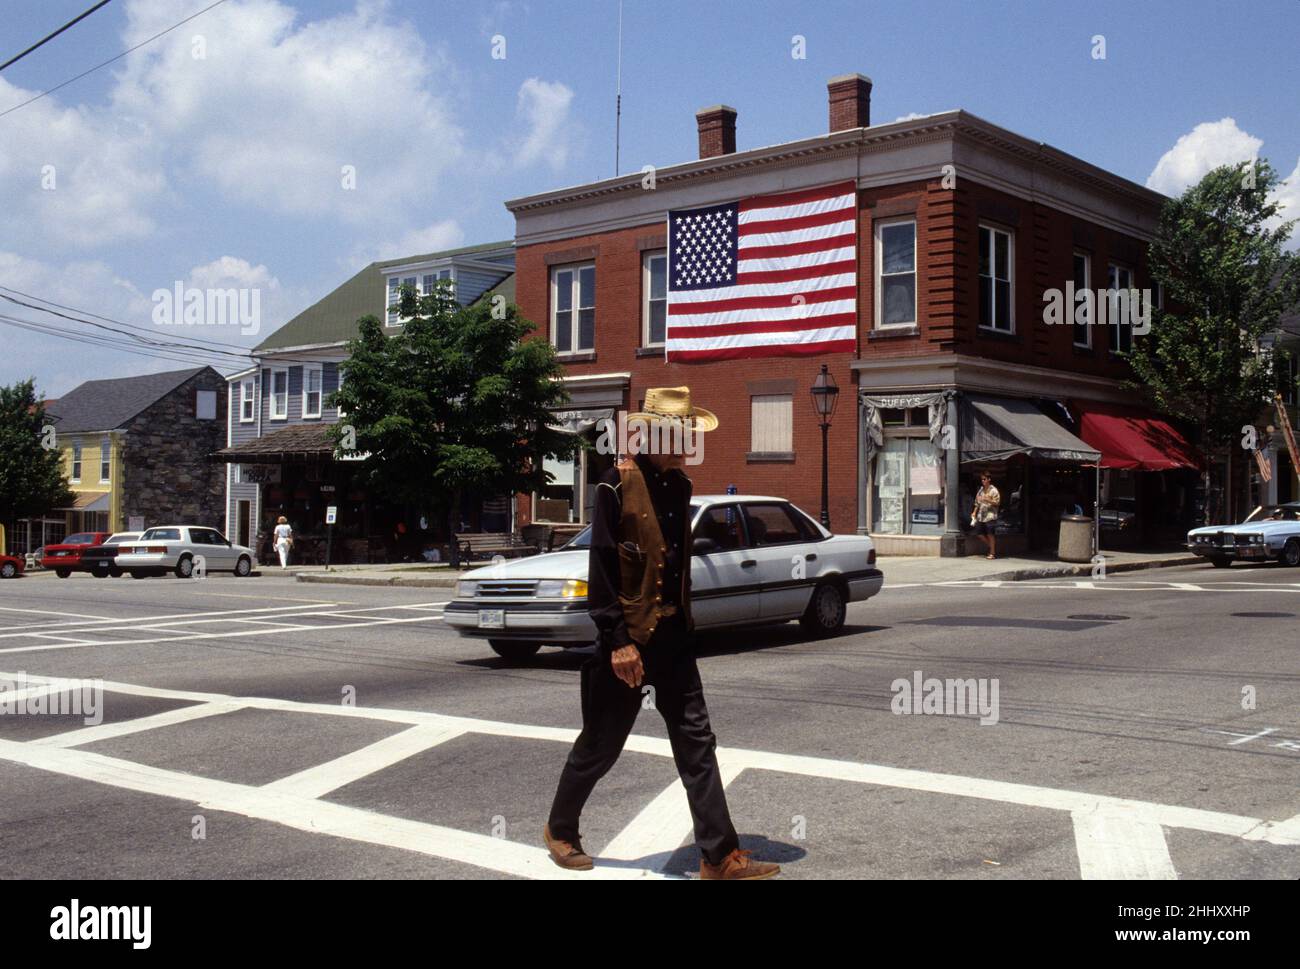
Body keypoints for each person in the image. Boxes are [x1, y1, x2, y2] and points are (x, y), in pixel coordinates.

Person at [543, 386, 780, 880]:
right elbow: (602, 570)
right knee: (602, 743)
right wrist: (618, 641)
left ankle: (719, 857)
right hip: (629, 641)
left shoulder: (681, 487)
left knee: (697, 742)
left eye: (687, 431)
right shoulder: (613, 484)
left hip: (673, 638)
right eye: (676, 431)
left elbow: (672, 567)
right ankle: (560, 830)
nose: (684, 439)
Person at [971, 472, 1001, 560]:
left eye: (984, 479)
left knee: (990, 534)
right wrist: (974, 512)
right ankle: (992, 547)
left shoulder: (994, 490)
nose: (983, 481)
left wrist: (988, 500)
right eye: (982, 479)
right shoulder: (980, 490)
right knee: (978, 533)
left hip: (990, 515)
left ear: (989, 479)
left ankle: (992, 552)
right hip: (981, 515)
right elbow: (977, 503)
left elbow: (997, 503)